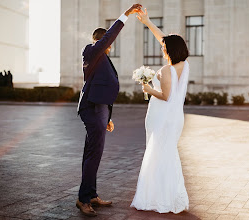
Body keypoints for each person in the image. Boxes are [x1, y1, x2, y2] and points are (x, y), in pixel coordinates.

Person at [76, 3, 142, 217]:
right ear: (102, 41)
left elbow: (103, 88)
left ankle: (91, 194)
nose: (110, 45)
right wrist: (126, 15)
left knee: (92, 153)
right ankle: (83, 199)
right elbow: (109, 36)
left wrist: (108, 117)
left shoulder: (102, 59)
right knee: (94, 154)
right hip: (92, 109)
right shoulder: (92, 51)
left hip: (99, 109)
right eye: (107, 41)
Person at [130, 8, 190, 214]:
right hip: (175, 119)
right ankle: (171, 197)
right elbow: (165, 38)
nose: (162, 49)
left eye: (165, 48)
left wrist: (148, 89)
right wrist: (147, 22)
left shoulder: (166, 70)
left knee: (157, 155)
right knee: (168, 154)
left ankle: (157, 198)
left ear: (170, 50)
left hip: (162, 117)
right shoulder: (185, 65)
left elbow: (165, 96)